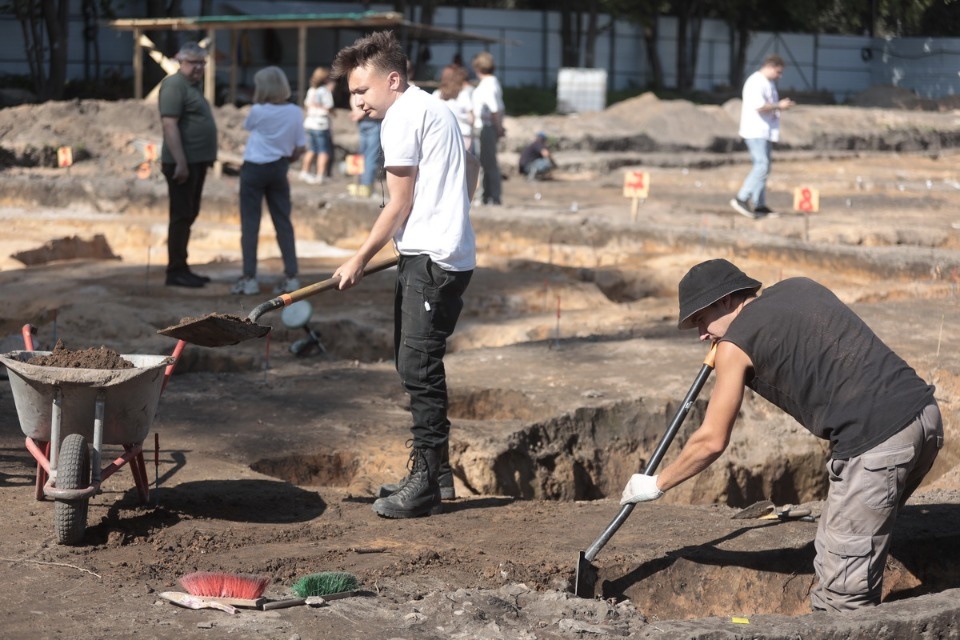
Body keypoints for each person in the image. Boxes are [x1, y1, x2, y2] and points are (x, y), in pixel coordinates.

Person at [621, 258, 943, 612]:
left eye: (701, 319)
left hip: (877, 443)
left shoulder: (734, 346)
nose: (701, 334)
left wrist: (655, 484)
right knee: (846, 544)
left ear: (727, 301)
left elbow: (711, 440)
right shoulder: (798, 285)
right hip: (925, 418)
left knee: (841, 598)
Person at [330, 30, 480, 519]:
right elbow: (468, 169)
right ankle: (437, 475)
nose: (356, 104)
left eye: (361, 91)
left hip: (432, 258)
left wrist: (358, 258)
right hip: (440, 252)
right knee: (411, 359)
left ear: (391, 80)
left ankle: (425, 484)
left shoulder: (399, 119)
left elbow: (399, 202)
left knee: (418, 366)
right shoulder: (434, 107)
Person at [231, 66, 305, 296]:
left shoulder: (258, 110)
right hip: (279, 168)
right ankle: (291, 276)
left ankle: (249, 278)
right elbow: (299, 147)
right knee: (283, 222)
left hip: (254, 170)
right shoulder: (295, 112)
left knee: (250, 225)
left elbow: (249, 127)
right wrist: (286, 159)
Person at [158, 41, 218, 288]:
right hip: (183, 163)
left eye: (202, 62)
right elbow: (169, 125)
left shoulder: (192, 86)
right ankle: (175, 271)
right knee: (181, 215)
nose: (199, 67)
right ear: (180, 61)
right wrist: (181, 162)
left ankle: (182, 266)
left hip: (195, 162)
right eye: (194, 62)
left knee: (189, 213)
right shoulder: (174, 85)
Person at [730, 54, 794, 220]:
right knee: (761, 166)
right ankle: (741, 198)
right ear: (771, 67)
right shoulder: (755, 82)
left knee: (765, 168)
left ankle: (759, 204)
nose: (779, 76)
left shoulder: (768, 83)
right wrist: (779, 106)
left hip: (765, 132)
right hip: (755, 131)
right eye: (778, 72)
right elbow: (759, 106)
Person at [471, 51, 505, 205]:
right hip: (485, 126)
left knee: (489, 164)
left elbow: (495, 109)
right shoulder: (492, 83)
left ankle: (493, 196)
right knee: (485, 163)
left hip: (487, 127)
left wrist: (498, 127)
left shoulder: (488, 85)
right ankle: (486, 195)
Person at [300, 66, 336, 185]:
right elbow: (329, 106)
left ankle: (304, 172)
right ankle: (320, 175)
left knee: (311, 149)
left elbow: (306, 104)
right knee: (323, 151)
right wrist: (333, 113)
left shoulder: (311, 90)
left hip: (309, 123)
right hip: (321, 124)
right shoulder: (325, 91)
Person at [433, 63, 474, 151]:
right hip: (463, 135)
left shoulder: (436, 95)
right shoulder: (463, 94)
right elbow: (471, 119)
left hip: (442, 136)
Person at [348, 104, 383, 199]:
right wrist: (362, 113)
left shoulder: (357, 92)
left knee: (358, 156)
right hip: (372, 120)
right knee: (371, 157)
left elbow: (353, 96)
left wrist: (356, 111)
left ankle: (355, 186)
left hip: (360, 122)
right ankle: (365, 189)